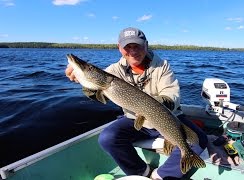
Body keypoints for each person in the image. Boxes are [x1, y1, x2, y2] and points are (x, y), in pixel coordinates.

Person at [65, 27, 208, 179]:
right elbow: (99, 94)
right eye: (127, 47)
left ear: (146, 45)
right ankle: (142, 172)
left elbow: (171, 94)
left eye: (137, 46)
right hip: (135, 120)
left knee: (198, 140)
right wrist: (84, 83)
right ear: (119, 48)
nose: (133, 51)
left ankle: (161, 176)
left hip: (167, 118)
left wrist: (153, 107)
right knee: (107, 138)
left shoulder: (162, 66)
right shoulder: (112, 72)